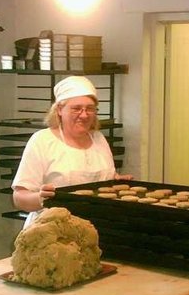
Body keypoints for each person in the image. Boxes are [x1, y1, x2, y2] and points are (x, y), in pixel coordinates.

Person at [11, 75, 132, 227]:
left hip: (95, 228)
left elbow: (98, 183)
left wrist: (115, 182)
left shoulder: (99, 139)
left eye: (90, 108)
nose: (84, 115)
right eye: (76, 109)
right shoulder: (42, 141)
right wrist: (40, 198)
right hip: (51, 231)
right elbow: (19, 198)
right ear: (60, 110)